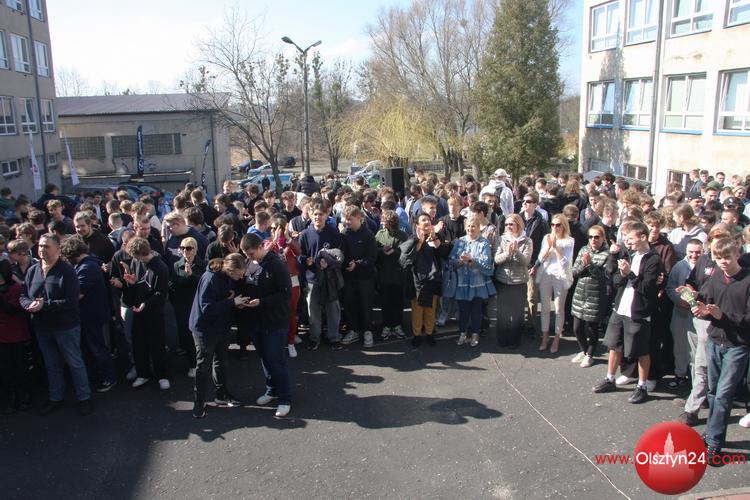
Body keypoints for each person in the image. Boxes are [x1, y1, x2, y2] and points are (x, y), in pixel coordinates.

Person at [691, 237, 750, 463]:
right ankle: (712, 434)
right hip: (715, 341)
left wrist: (721, 316)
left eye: (727, 257)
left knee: (724, 394)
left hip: (738, 345)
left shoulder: (747, 280)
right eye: (718, 258)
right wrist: (698, 303)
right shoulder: (716, 276)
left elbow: (747, 318)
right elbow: (707, 300)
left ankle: (714, 442)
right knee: (714, 392)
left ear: (737, 255)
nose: (723, 262)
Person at [20, 233, 92, 416]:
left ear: (58, 249)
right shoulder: (33, 271)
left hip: (65, 327)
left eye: (46, 246)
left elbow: (71, 302)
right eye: (40, 246)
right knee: (51, 364)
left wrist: (45, 305)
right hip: (42, 327)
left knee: (74, 362)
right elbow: (23, 294)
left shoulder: (67, 272)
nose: (42, 250)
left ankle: (84, 397)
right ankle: (55, 397)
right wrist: (28, 304)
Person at [592, 221, 663, 404]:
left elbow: (647, 289)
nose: (627, 241)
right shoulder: (630, 254)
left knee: (641, 350)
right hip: (621, 307)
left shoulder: (653, 259)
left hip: (638, 312)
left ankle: (642, 386)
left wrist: (630, 273)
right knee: (614, 345)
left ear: (643, 237)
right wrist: (623, 274)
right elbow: (616, 280)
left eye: (630, 238)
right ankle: (610, 378)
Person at [241, 233, 293, 418]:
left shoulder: (276, 264)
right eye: (246, 254)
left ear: (261, 247)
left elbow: (285, 293)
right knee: (264, 358)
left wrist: (262, 302)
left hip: (275, 321)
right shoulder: (249, 263)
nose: (250, 257)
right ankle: (271, 390)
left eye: (251, 253)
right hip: (256, 320)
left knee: (276, 360)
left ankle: (285, 398)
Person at [189, 253, 248, 418]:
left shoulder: (226, 276)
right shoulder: (211, 279)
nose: (241, 277)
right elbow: (206, 308)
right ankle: (199, 403)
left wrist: (234, 303)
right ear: (230, 270)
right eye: (239, 274)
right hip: (205, 329)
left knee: (221, 362)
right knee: (203, 366)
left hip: (221, 327)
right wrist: (232, 302)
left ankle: (221, 395)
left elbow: (223, 298)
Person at [60, 236, 117, 393]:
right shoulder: (88, 264)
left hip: (93, 316)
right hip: (89, 315)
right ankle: (99, 376)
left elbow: (77, 294)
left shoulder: (87, 267)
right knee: (93, 348)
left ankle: (109, 377)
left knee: (98, 348)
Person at [123, 236, 171, 390]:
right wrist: (131, 284)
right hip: (139, 311)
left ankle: (162, 375)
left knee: (157, 344)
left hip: (154, 313)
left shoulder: (161, 267)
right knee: (139, 344)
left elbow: (162, 293)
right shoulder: (136, 262)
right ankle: (142, 373)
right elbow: (135, 286)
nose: (136, 259)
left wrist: (146, 303)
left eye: (137, 256)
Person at [299, 199, 344, 351]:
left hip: (330, 277)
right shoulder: (305, 234)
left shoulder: (333, 233)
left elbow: (339, 254)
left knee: (333, 309)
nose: (318, 217)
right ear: (311, 215)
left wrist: (329, 263)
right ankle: (314, 338)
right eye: (315, 214)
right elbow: (300, 255)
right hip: (312, 278)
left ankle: (334, 337)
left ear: (326, 215)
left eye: (321, 214)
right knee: (313, 310)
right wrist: (307, 261)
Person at [449, 216, 496, 347]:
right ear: (465, 227)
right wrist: (459, 262)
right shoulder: (460, 242)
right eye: (469, 226)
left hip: (477, 283)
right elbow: (451, 260)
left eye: (474, 226)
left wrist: (472, 260)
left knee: (476, 311)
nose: (471, 228)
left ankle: (475, 334)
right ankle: (462, 333)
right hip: (462, 282)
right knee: (463, 310)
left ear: (479, 227)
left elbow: (487, 264)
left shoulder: (484, 243)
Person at [400, 213, 445, 347]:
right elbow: (405, 260)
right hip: (417, 280)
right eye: (423, 220)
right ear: (417, 225)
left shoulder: (435, 237)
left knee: (431, 309)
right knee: (417, 310)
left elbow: (443, 253)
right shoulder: (412, 239)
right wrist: (419, 242)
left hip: (433, 279)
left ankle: (430, 333)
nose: (426, 222)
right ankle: (417, 335)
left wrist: (435, 237)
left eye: (428, 220)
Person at [570, 224, 610, 368]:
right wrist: (583, 265)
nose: (593, 239)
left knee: (592, 328)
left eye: (597, 237)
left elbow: (603, 277)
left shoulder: (607, 254)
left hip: (596, 294)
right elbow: (574, 271)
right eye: (591, 237)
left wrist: (589, 265)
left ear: (603, 238)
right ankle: (584, 350)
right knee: (577, 328)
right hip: (580, 292)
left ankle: (590, 355)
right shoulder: (583, 249)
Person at [533, 214, 574, 353]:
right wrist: (549, 247)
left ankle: (556, 338)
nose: (555, 227)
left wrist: (556, 248)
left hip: (561, 276)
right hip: (546, 274)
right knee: (545, 307)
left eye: (558, 225)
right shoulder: (547, 237)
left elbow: (566, 262)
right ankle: (545, 337)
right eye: (553, 224)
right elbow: (541, 258)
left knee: (558, 309)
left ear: (564, 226)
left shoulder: (569, 241)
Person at [340, 205, 378, 348]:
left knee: (366, 305)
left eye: (350, 219)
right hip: (349, 276)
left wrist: (358, 264)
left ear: (359, 218)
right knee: (350, 304)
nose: (347, 222)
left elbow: (372, 258)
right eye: (346, 219)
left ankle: (368, 331)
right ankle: (353, 330)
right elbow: (341, 253)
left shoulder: (368, 235)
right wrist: (347, 263)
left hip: (365, 277)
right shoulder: (344, 234)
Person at [494, 214, 533, 347]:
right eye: (506, 224)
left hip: (519, 282)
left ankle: (515, 340)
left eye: (511, 224)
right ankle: (502, 339)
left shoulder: (527, 241)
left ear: (519, 225)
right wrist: (507, 253)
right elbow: (496, 259)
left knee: (517, 314)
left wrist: (516, 252)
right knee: (502, 313)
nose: (508, 227)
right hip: (503, 281)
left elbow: (525, 262)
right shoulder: (501, 239)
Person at [0, 259, 32, 413]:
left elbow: (11, 310)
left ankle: (25, 395)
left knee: (20, 367)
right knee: (6, 369)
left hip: (16, 334)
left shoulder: (15, 288)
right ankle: (11, 397)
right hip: (2, 337)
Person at [169, 236, 204, 378]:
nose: (185, 251)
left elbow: (203, 284)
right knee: (186, 335)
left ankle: (201, 363)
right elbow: (172, 284)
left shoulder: (202, 265)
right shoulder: (176, 265)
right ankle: (192, 364)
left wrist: (191, 275)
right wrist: (185, 278)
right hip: (182, 305)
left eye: (188, 248)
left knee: (199, 335)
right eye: (182, 248)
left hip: (197, 305)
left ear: (195, 250)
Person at [268, 215, 302, 358]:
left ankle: (291, 341)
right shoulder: (268, 243)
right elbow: (265, 255)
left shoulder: (290, 242)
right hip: (276, 283)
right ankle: (279, 341)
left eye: (277, 228)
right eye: (272, 228)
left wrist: (288, 238)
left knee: (291, 312)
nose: (274, 231)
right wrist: (275, 240)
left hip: (292, 281)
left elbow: (299, 252)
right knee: (276, 312)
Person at [375, 210, 408, 340]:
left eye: (385, 221)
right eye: (383, 220)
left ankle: (397, 325)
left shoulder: (403, 235)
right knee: (385, 302)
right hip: (384, 274)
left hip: (398, 274)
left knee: (398, 302)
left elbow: (406, 254)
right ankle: (386, 325)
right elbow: (374, 250)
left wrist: (394, 252)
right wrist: (381, 250)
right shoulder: (380, 234)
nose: (383, 223)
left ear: (392, 222)